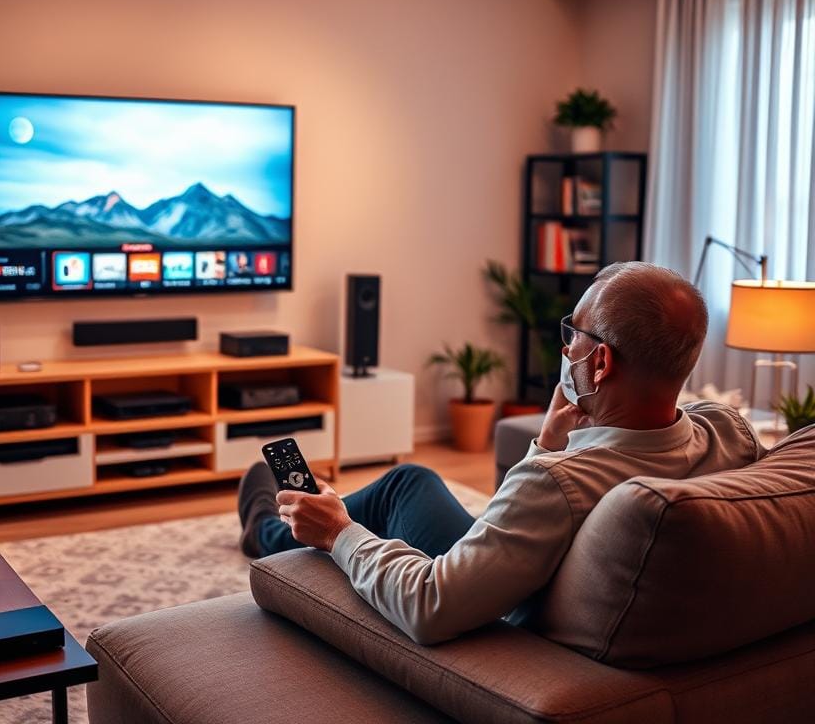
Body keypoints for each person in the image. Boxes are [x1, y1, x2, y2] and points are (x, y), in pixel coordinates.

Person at [237, 262, 765, 645]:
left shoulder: (558, 486)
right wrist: (552, 444)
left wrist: (338, 533)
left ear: (600, 364)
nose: (566, 350)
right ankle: (281, 521)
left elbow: (429, 605)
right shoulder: (728, 430)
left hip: (497, 600)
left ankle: (273, 527)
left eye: (573, 335)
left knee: (389, 490)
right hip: (520, 564)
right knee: (411, 480)